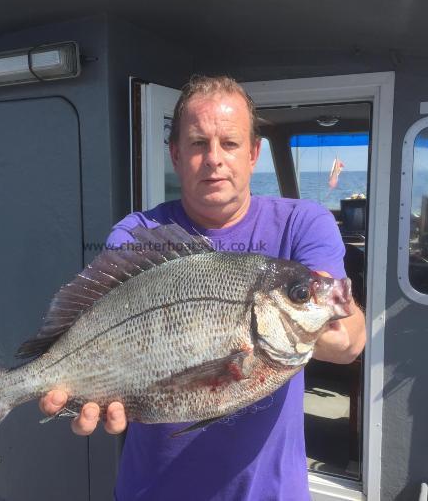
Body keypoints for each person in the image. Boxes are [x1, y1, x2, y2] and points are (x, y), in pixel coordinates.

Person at [40, 75, 366, 500]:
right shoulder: (139, 234)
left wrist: (291, 314)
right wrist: (78, 388)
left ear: (253, 153)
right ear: (175, 155)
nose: (214, 159)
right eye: (197, 143)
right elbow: (106, 328)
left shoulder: (304, 223)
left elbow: (348, 341)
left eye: (229, 144)